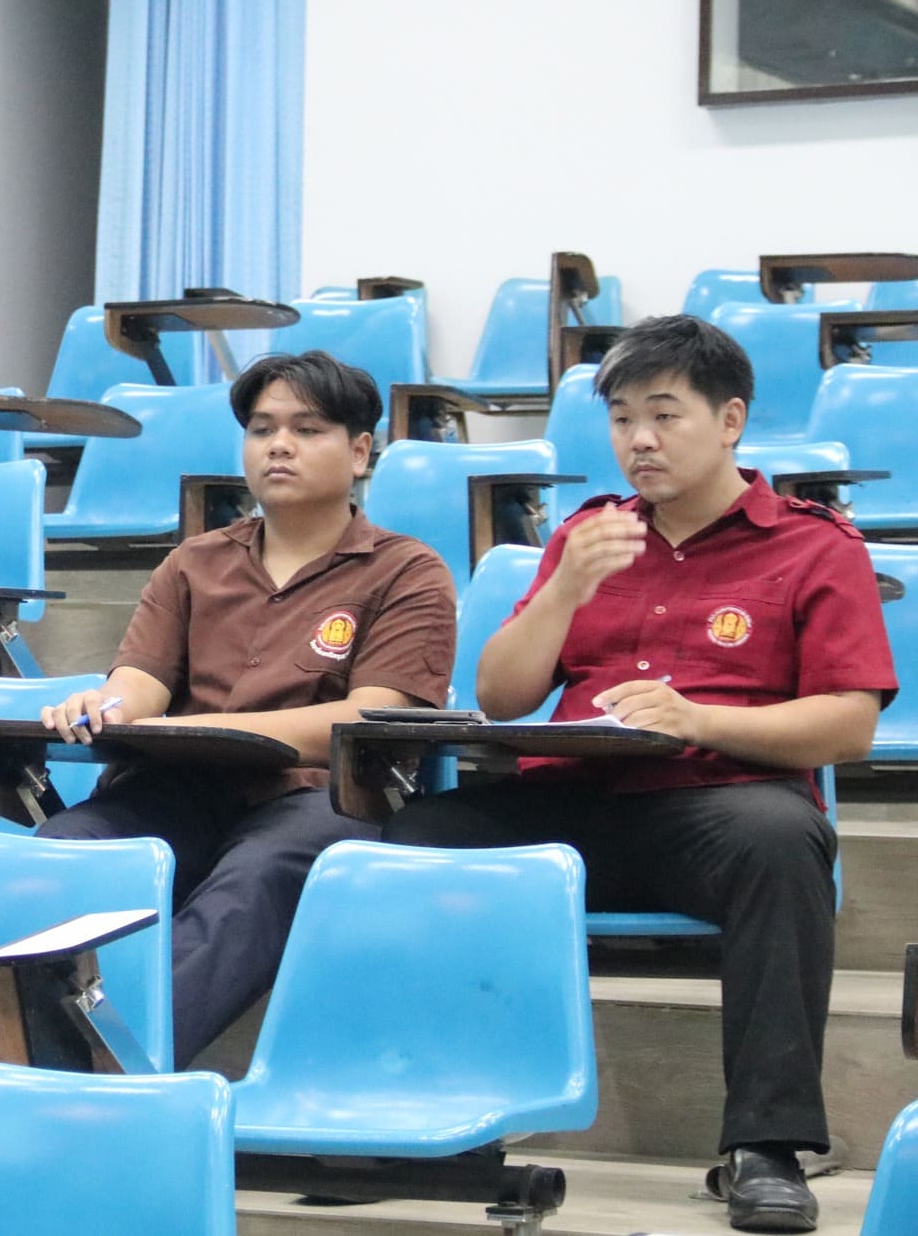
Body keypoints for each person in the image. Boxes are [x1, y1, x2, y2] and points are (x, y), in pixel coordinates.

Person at [381, 315, 895, 1235]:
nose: (639, 440)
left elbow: (850, 724)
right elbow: (501, 696)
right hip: (578, 800)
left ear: (730, 419)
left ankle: (767, 1149)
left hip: (721, 804)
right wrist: (565, 589)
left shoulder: (816, 546)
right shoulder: (588, 537)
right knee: (418, 835)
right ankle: (431, 1116)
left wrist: (699, 719)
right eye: (621, 419)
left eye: (663, 414)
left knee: (784, 842)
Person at [36, 350, 456, 1068]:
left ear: (360, 452)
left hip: (316, 799)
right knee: (60, 852)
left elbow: (369, 720)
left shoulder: (407, 571)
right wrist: (102, 705)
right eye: (262, 430)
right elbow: (139, 683)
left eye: (306, 429)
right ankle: (11, 1054)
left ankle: (114, 1066)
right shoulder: (193, 563)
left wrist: (203, 728)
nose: (279, 446)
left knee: (255, 879)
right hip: (175, 789)